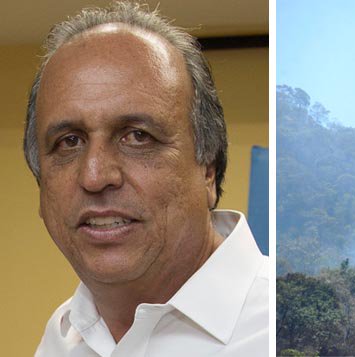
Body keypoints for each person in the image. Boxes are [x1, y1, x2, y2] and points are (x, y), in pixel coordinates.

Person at [25, 2, 269, 356]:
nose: (95, 176)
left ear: (208, 169)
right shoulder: (62, 338)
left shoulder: (278, 331)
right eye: (70, 142)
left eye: (137, 136)